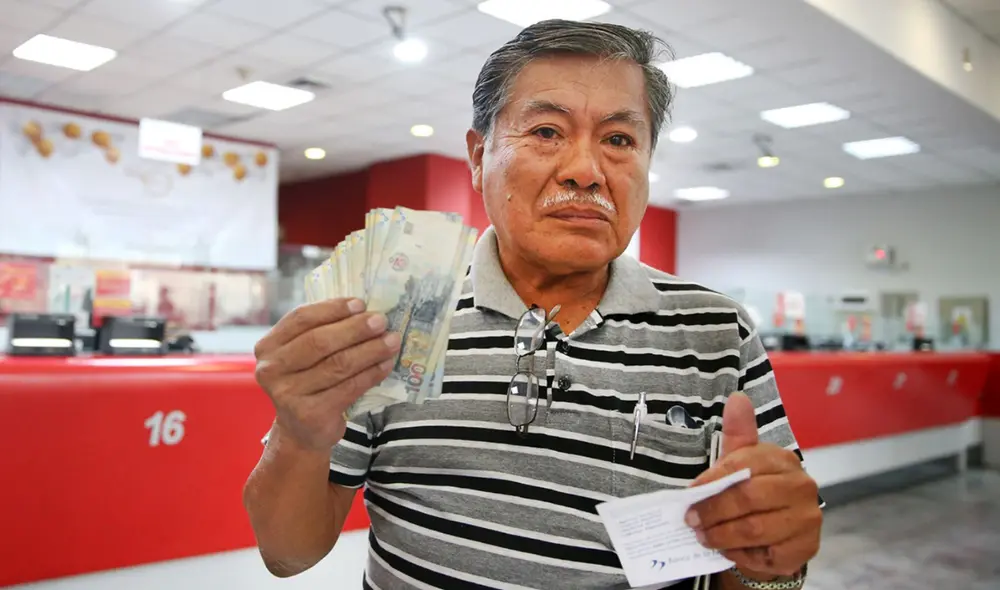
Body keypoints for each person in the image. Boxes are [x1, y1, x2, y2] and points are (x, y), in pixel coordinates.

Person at [244, 19, 822, 590]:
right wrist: (299, 435)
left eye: (619, 139)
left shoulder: (715, 331)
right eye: (546, 131)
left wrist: (767, 560)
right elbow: (288, 555)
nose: (585, 171)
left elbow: (755, 567)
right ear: (479, 156)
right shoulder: (397, 315)